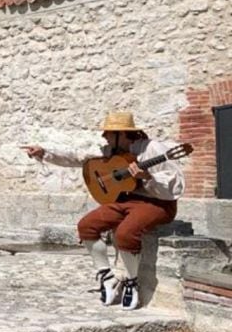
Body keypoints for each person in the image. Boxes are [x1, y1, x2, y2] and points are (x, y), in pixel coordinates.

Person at [22, 111, 184, 310]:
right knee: (87, 226)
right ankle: (106, 276)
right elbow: (77, 157)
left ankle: (131, 283)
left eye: (108, 132)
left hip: (158, 203)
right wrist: (44, 152)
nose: (104, 136)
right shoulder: (109, 151)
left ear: (122, 134)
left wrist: (147, 176)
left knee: (125, 233)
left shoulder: (153, 149)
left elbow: (176, 184)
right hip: (125, 200)